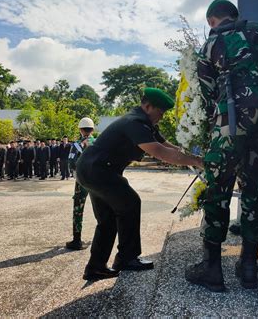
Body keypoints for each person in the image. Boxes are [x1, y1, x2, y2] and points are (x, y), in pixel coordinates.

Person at [184, 0, 258, 292]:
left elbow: (206, 95)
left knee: (218, 189)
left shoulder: (212, 42)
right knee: (257, 190)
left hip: (230, 124)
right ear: (235, 15)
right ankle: (249, 266)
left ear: (212, 21)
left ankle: (212, 269)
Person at [76, 87, 203, 281]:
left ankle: (95, 267)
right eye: (160, 112)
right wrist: (196, 161)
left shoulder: (144, 122)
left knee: (108, 219)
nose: (161, 116)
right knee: (130, 203)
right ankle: (127, 258)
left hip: (91, 169)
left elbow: (166, 145)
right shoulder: (134, 122)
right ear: (147, 106)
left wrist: (192, 157)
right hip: (98, 170)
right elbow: (159, 152)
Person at [66, 117, 96, 250]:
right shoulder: (98, 143)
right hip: (98, 181)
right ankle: (102, 238)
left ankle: (77, 240)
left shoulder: (77, 145)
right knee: (101, 209)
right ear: (92, 129)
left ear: (80, 129)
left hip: (82, 181)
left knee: (78, 209)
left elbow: (71, 163)